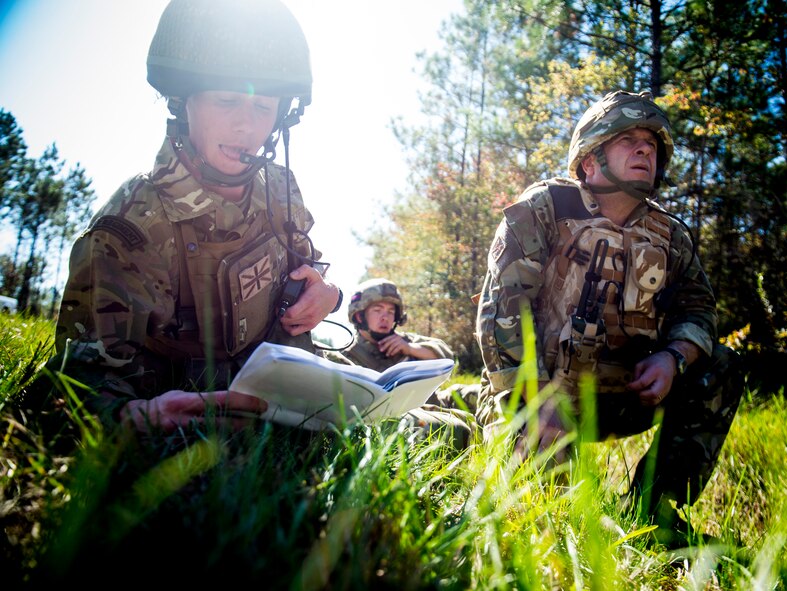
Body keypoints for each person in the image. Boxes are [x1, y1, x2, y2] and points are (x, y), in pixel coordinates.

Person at [48, 0, 342, 434]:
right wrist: (136, 419)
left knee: (442, 427)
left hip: (292, 396)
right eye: (227, 101)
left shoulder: (279, 188)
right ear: (184, 102)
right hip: (199, 419)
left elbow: (304, 266)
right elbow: (80, 387)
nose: (246, 124)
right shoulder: (134, 223)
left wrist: (328, 294)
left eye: (263, 108)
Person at [474, 90, 743, 542]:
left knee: (721, 364)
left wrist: (673, 357)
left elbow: (699, 310)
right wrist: (539, 402)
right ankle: (463, 422)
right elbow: (501, 312)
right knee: (546, 522)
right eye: (628, 140)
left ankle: (654, 508)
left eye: (651, 145)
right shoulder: (545, 209)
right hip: (533, 393)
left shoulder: (670, 236)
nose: (644, 149)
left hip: (618, 400)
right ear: (589, 159)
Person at [325, 278, 477, 448]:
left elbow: (447, 357)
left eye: (390, 311)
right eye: (377, 310)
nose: (385, 317)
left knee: (484, 394)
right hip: (402, 413)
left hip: (440, 400)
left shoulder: (406, 341)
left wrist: (410, 349)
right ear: (359, 316)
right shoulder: (348, 354)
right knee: (453, 430)